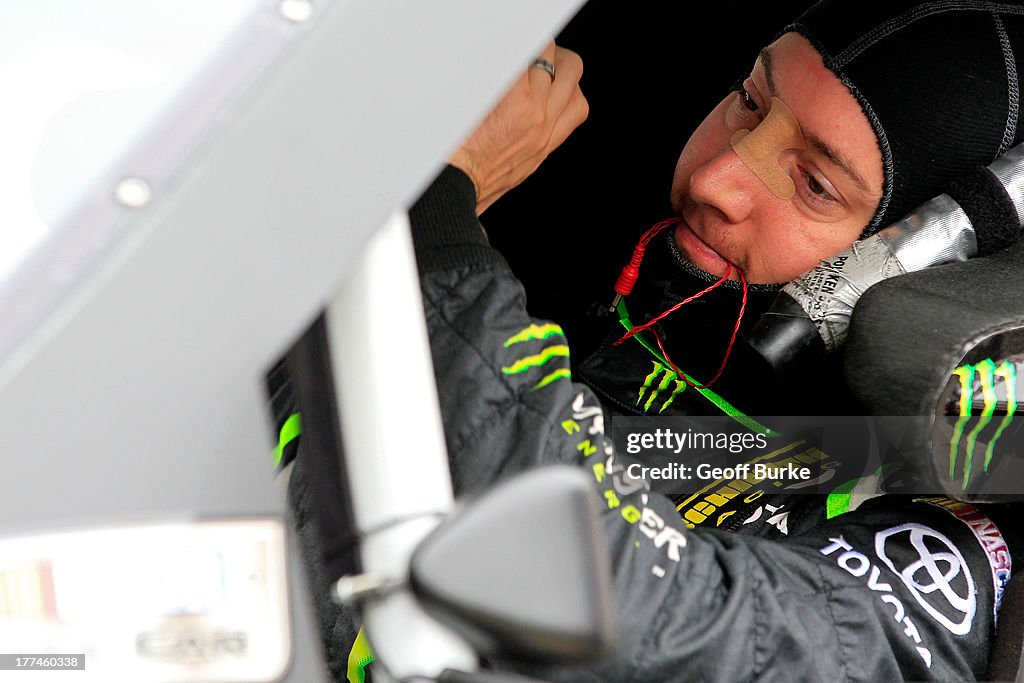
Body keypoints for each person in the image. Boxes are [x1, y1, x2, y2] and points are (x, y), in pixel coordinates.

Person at [278, 0, 1024, 680]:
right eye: (749, 102)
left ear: (936, 281)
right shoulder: (559, 309)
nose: (718, 179)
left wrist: (431, 215)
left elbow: (612, 604)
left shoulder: (956, 542)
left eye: (814, 185)